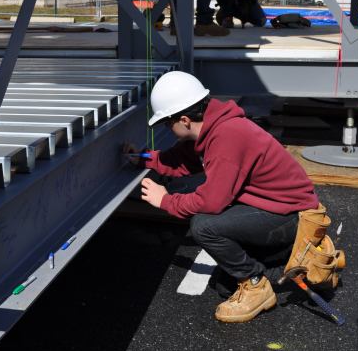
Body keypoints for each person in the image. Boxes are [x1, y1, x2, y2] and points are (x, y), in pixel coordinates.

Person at [125, 71, 321, 323]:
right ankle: (286, 265)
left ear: (184, 120)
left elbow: (210, 202)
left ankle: (256, 284)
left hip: (292, 217)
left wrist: (165, 200)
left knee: (204, 225)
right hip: (274, 209)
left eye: (166, 123)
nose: (167, 128)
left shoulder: (227, 136)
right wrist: (143, 158)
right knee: (225, 287)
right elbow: (181, 161)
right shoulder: (212, 127)